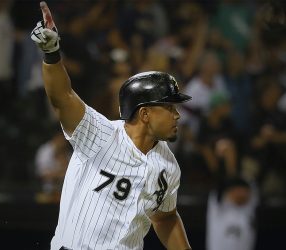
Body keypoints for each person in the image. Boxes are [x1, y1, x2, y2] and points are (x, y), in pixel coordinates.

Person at [31, 2, 192, 249]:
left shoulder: (168, 165)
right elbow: (62, 97)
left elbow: (166, 217)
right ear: (145, 113)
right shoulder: (100, 134)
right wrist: (52, 54)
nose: (177, 115)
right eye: (169, 107)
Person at [206, 176, 258, 250]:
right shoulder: (218, 208)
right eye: (238, 190)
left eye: (244, 191)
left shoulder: (248, 209)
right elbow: (217, 189)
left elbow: (253, 188)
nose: (241, 193)